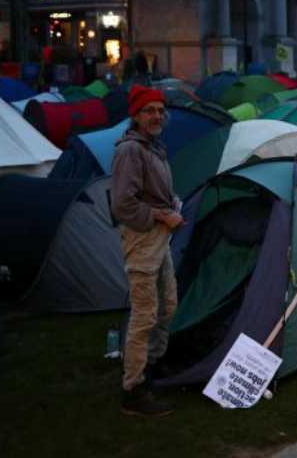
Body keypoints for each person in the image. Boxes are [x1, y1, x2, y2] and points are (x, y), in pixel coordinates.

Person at [111, 84, 184, 417]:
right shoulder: (130, 151)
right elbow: (123, 205)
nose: (156, 116)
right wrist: (162, 215)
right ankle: (133, 389)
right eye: (148, 111)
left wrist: (172, 205)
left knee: (167, 304)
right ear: (135, 115)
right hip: (142, 239)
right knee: (145, 314)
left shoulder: (153, 147)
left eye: (159, 110)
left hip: (159, 237)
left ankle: (150, 365)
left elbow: (154, 192)